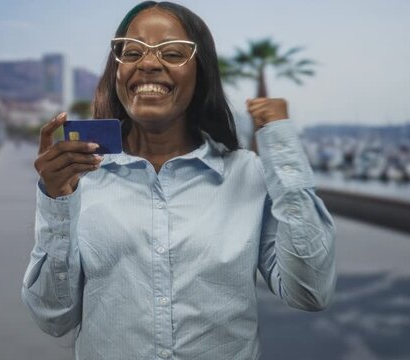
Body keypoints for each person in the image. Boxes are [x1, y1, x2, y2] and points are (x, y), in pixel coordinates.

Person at [22, 2, 336, 359]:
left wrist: (281, 145)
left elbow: (310, 291)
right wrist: (56, 200)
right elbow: (53, 317)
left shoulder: (247, 174)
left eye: (172, 53)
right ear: (117, 72)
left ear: (201, 74)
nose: (149, 64)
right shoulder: (82, 179)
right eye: (132, 52)